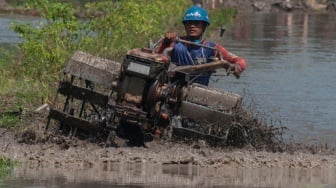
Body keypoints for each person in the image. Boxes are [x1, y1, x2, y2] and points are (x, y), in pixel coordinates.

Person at [156, 6, 247, 86]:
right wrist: (166, 42)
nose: (192, 26)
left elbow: (241, 61)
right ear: (185, 25)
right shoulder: (175, 43)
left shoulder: (213, 48)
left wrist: (237, 66)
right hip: (172, 89)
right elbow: (157, 59)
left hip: (198, 93)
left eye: (196, 23)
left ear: (204, 26)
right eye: (189, 23)